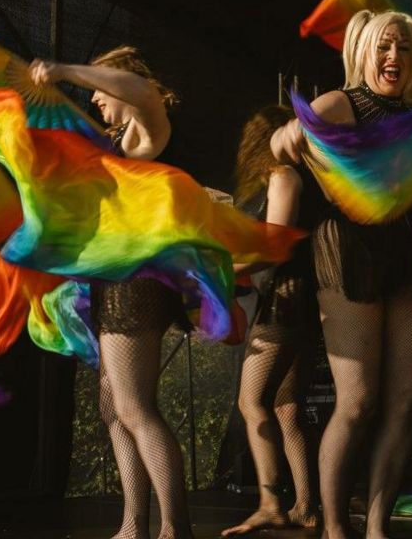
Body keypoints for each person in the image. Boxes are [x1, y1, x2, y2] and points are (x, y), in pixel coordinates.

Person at [271, 10, 412, 539]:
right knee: (359, 402)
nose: (394, 58)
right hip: (349, 254)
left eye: (405, 49)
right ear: (365, 51)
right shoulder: (344, 102)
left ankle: (377, 529)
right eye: (386, 47)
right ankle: (336, 528)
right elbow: (280, 141)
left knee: (407, 400)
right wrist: (291, 134)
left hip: (406, 257)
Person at [30, 48, 192, 539]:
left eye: (102, 87)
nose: (96, 96)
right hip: (110, 285)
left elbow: (140, 92)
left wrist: (61, 71)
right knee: (112, 406)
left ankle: (174, 530)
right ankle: (133, 525)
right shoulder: (116, 138)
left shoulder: (148, 133)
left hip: (135, 285)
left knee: (135, 406)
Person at [221, 105, 325, 536]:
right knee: (286, 408)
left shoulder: (282, 176)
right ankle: (306, 506)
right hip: (296, 298)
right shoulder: (283, 177)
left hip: (287, 299)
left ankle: (270, 503)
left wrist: (225, 269)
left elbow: (277, 245)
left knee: (252, 401)